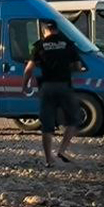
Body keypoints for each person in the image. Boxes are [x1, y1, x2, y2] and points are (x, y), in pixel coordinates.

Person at [22, 20, 82, 168]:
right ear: (56, 29)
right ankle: (61, 150)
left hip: (47, 87)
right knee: (74, 119)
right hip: (64, 86)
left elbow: (29, 69)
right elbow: (77, 66)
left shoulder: (39, 46)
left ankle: (49, 159)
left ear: (44, 31)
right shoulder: (68, 44)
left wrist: (25, 85)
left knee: (47, 126)